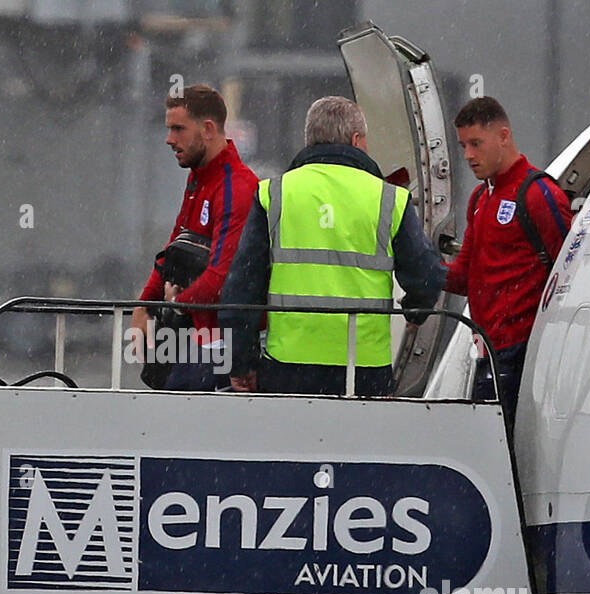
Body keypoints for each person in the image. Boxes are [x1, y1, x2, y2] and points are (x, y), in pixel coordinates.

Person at [218, 96, 444, 396]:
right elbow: (427, 276)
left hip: (289, 366)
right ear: (356, 139)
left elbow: (242, 287)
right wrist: (414, 312)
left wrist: (241, 363)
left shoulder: (275, 194)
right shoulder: (389, 199)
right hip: (364, 368)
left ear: (310, 139)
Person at [445, 97, 573, 427]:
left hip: (521, 355)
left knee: (498, 455)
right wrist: (418, 269)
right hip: (488, 351)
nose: (468, 155)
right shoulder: (480, 198)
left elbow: (570, 273)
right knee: (485, 454)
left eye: (476, 143)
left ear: (504, 136)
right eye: (463, 146)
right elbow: (463, 276)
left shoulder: (538, 194)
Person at [130, 84, 258, 390]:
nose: (169, 139)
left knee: (174, 411)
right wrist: (142, 304)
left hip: (222, 342)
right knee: (160, 395)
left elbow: (221, 277)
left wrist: (174, 305)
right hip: (195, 335)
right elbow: (173, 249)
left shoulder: (236, 188)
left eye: (178, 129)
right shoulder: (199, 177)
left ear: (208, 129)